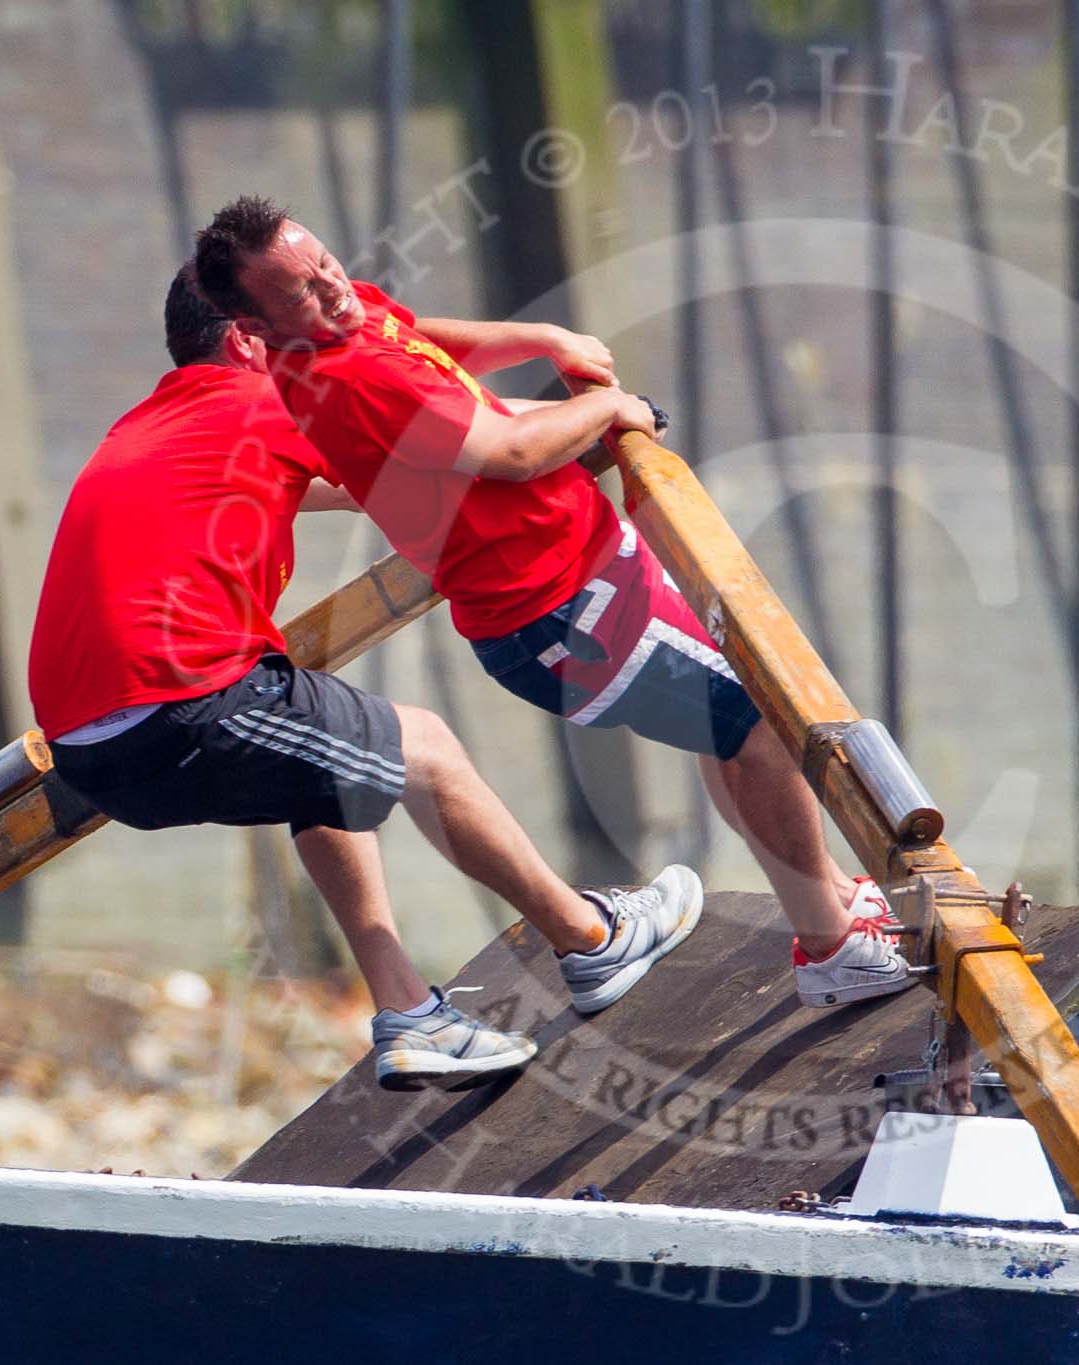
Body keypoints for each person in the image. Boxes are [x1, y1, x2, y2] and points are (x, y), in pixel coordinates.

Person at [191, 197, 916, 1008]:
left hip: (594, 574)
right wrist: (607, 407)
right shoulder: (342, 379)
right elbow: (509, 452)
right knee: (759, 724)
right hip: (564, 615)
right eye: (299, 293)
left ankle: (824, 902)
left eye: (322, 262)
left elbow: (416, 333)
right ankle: (830, 947)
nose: (331, 290)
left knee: (731, 726)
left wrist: (544, 339)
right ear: (257, 327)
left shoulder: (347, 319)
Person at [26, 267, 702, 1090]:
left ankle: (411, 1014)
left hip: (86, 747)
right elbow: (471, 432)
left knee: (331, 779)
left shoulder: (163, 425)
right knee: (428, 746)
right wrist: (610, 413)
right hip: (178, 704)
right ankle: (594, 941)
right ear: (247, 338)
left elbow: (369, 463)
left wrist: (548, 402)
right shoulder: (268, 401)